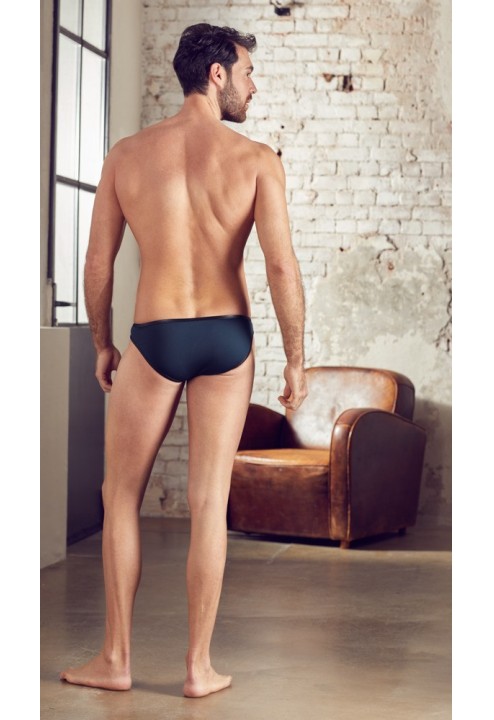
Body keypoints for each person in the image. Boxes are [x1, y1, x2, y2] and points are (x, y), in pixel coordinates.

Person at [60, 23, 307, 698]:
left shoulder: (128, 156)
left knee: (119, 497)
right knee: (208, 502)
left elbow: (98, 262)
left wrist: (102, 343)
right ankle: (199, 668)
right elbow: (282, 266)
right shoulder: (257, 160)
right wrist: (296, 358)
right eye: (247, 72)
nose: (254, 86)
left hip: (156, 335)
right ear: (217, 74)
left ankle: (116, 659)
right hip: (228, 337)